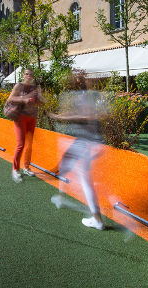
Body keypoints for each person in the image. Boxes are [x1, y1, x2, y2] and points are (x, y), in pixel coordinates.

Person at [48, 79, 105, 230]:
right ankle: (61, 197)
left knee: (86, 182)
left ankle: (97, 220)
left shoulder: (88, 98)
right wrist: (60, 115)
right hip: (85, 143)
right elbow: (77, 114)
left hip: (88, 144)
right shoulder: (85, 97)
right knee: (66, 166)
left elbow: (85, 117)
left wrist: (60, 117)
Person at [7, 68, 42, 183]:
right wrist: (23, 99)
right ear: (23, 75)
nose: (29, 76)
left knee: (29, 144)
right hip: (20, 117)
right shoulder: (19, 86)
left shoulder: (34, 87)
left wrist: (39, 99)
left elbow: (37, 103)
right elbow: (10, 99)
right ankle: (15, 169)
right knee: (20, 144)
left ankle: (26, 167)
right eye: (27, 74)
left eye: (31, 74)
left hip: (32, 117)